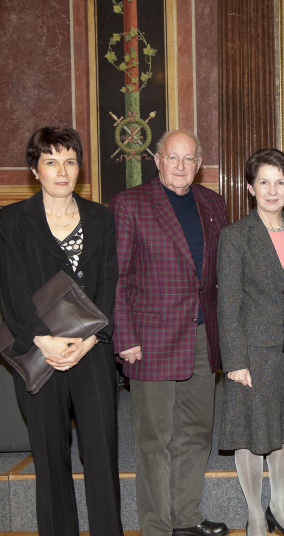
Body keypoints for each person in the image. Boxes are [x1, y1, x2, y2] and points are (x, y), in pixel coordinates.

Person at [0, 126, 122, 536]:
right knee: (51, 461)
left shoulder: (101, 217)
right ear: (36, 169)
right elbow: (12, 289)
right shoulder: (16, 218)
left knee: (101, 459)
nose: (62, 170)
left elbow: (109, 283)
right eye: (51, 161)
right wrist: (44, 339)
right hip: (40, 352)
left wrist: (88, 341)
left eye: (70, 161)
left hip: (92, 354)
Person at [112, 130, 229, 536]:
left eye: (189, 159)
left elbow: (218, 276)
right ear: (157, 159)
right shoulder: (129, 204)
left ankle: (187, 516)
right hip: (150, 339)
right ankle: (157, 526)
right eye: (173, 157)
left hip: (201, 334)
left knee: (197, 431)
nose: (181, 166)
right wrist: (124, 336)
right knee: (154, 437)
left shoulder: (213, 204)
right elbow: (118, 277)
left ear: (199, 165)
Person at [217, 149, 284, 536]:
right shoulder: (235, 236)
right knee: (250, 431)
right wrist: (235, 360)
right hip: (252, 351)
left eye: (280, 182)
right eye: (264, 182)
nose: (272, 190)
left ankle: (279, 505)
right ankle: (254, 513)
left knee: (283, 428)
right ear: (250, 188)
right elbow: (228, 303)